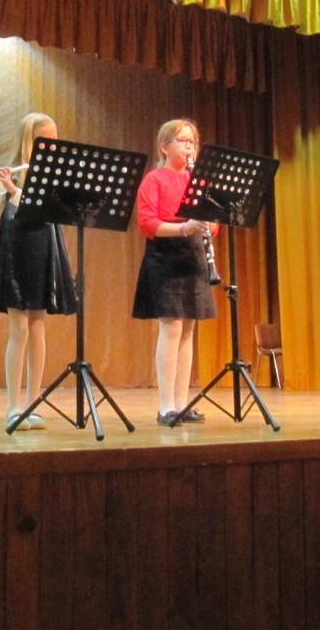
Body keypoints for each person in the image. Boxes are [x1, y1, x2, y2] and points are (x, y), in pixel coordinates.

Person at [0, 112, 77, 431]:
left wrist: (13, 188)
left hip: (43, 249)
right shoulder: (10, 174)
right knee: (20, 329)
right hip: (15, 254)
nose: (52, 145)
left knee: (38, 327)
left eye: (54, 139)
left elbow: (49, 210)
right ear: (30, 142)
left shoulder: (54, 176)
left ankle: (33, 404)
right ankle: (13, 407)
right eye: (45, 140)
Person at [132, 119, 217, 425]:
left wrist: (208, 225)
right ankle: (166, 406)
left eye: (192, 141)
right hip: (166, 255)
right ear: (164, 147)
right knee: (171, 327)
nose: (188, 146)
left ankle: (182, 404)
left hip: (193, 254)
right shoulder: (154, 179)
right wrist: (183, 228)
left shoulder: (199, 182)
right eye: (182, 141)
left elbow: (214, 223)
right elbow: (147, 223)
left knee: (189, 328)